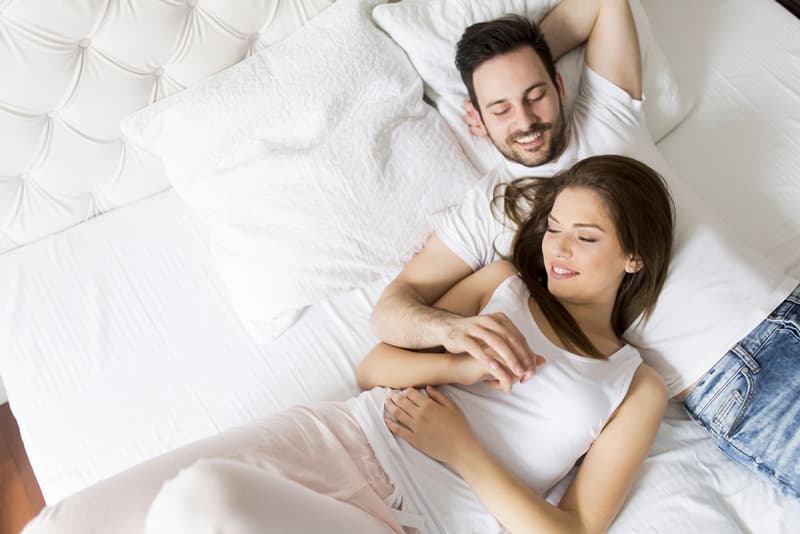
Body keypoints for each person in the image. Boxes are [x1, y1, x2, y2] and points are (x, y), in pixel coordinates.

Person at [22, 155, 674, 534]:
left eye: (585, 238)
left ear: (633, 259)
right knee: (70, 523)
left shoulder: (632, 385)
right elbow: (373, 367)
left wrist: (463, 450)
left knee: (202, 501)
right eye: (554, 227)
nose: (557, 251)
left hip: (427, 517)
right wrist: (460, 360)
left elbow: (578, 530)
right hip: (335, 439)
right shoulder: (504, 284)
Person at [370, 0, 800, 499]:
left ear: (559, 85)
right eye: (500, 108)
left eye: (535, 94)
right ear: (475, 118)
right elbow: (390, 312)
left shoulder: (607, 117)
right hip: (735, 372)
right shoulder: (486, 211)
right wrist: (452, 329)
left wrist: (520, 62)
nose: (525, 120)